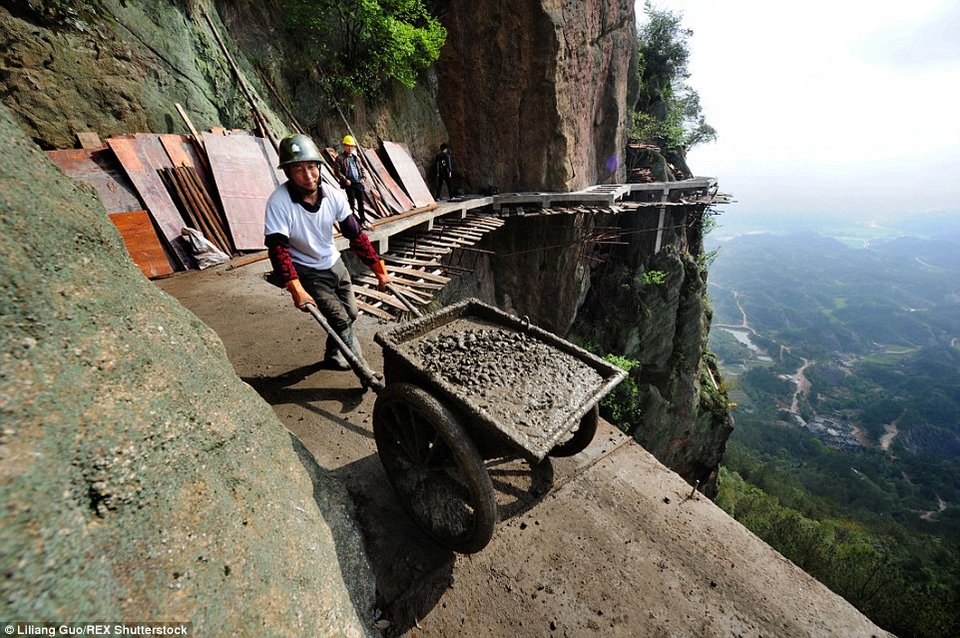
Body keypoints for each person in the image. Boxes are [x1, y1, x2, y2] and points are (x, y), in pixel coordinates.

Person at [265, 133, 391, 373]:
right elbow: (278, 251)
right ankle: (365, 372)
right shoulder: (278, 203)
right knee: (341, 320)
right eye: (299, 169)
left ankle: (333, 356)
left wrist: (380, 272)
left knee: (351, 313)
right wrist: (297, 289)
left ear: (319, 167)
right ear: (288, 173)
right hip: (307, 270)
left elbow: (356, 236)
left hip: (334, 263)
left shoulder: (333, 195)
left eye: (312, 167)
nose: (308, 175)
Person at [333, 134, 370, 227]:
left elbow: (362, 169)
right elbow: (337, 172)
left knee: (361, 202)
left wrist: (363, 178)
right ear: (344, 146)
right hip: (349, 183)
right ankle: (353, 222)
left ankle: (363, 220)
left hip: (358, 182)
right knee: (351, 203)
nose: (350, 148)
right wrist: (345, 180)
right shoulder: (340, 158)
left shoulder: (356, 158)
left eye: (352, 146)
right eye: (348, 145)